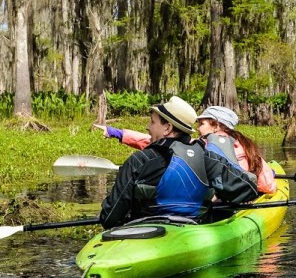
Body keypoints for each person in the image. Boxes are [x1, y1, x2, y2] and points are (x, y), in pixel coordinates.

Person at [98, 96, 259, 229]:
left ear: (167, 128)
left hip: (146, 233)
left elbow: (110, 218)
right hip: (197, 229)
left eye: (152, 122)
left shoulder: (139, 161)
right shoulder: (207, 157)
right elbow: (241, 192)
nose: (148, 127)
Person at [196, 105, 277, 194]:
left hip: (228, 194)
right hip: (243, 190)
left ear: (216, 125)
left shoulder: (210, 144)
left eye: (201, 124)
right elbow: (268, 186)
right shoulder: (242, 142)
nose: (198, 128)